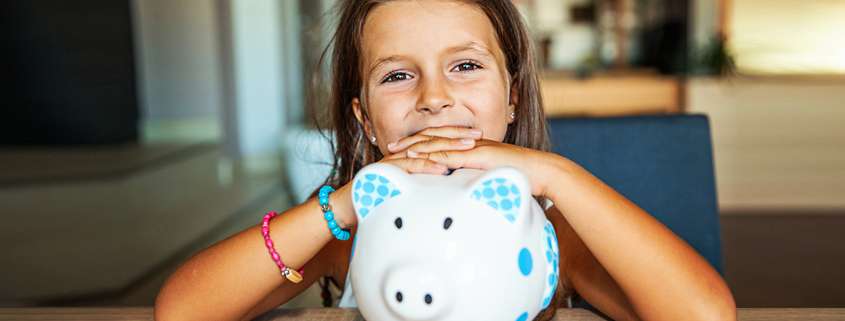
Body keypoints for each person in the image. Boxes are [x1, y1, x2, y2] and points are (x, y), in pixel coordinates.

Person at [154, 1, 736, 320]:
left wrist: (554, 173)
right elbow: (183, 311)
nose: (434, 97)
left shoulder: (554, 227)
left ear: (511, 98)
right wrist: (342, 205)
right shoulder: (350, 225)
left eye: (465, 66)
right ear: (365, 122)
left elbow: (703, 316)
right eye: (399, 75)